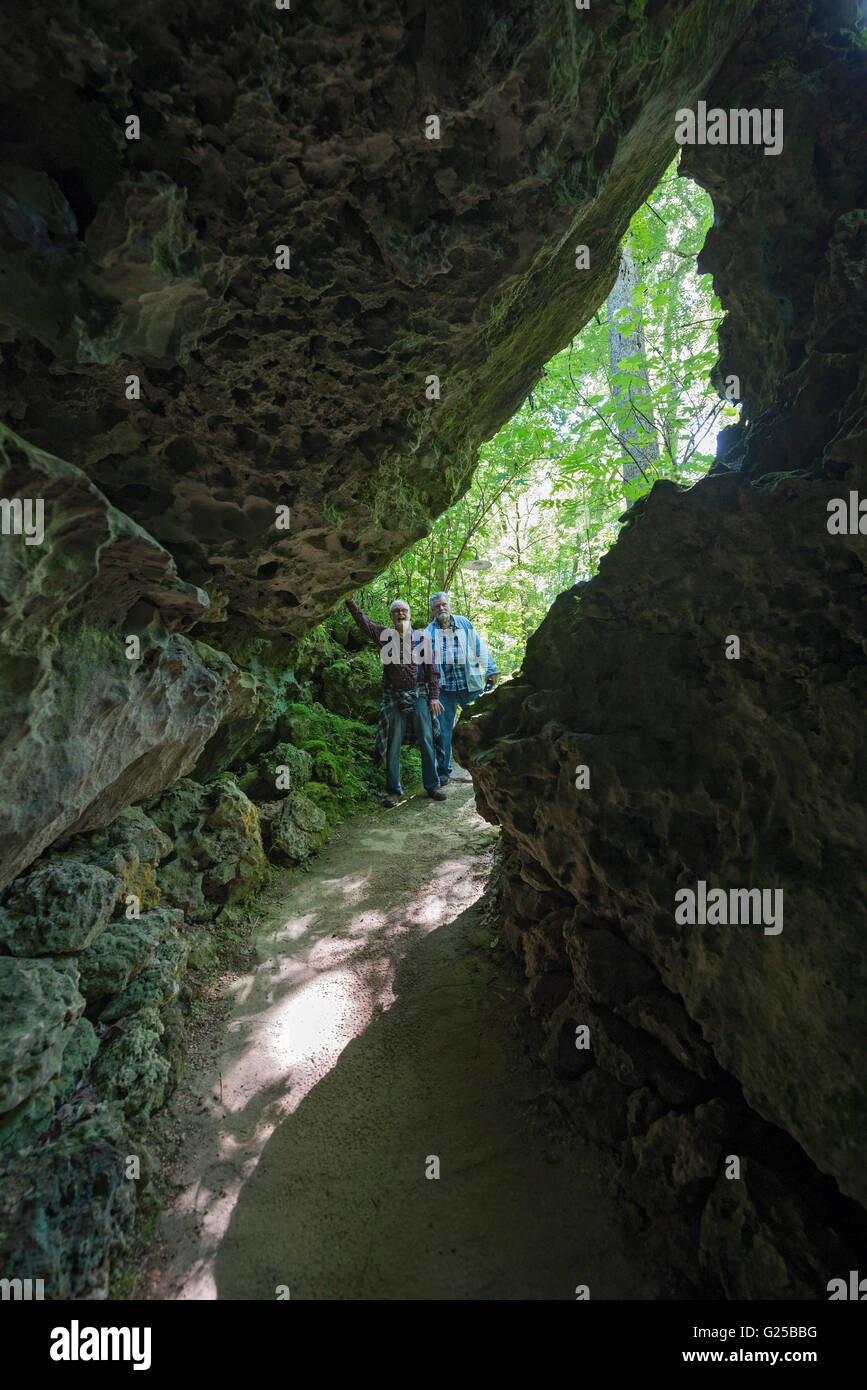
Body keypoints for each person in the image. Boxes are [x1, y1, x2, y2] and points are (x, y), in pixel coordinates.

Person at [346, 596, 447, 806]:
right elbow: (364, 623)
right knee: (393, 743)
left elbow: (433, 671)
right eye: (396, 611)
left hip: (419, 695)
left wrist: (434, 697)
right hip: (393, 697)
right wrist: (350, 602)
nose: (401, 614)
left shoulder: (422, 638)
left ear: (409, 614)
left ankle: (432, 784)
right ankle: (393, 791)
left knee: (426, 738)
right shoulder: (386, 636)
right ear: (391, 616)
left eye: (404, 610)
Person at [424, 592, 498, 785]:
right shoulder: (428, 632)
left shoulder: (464, 623)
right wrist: (429, 693)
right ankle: (443, 770)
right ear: (432, 610)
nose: (441, 609)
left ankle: (488, 764)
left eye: (443, 605)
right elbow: (425, 665)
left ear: (449, 605)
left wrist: (491, 669)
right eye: (436, 607)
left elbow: (479, 646)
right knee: (442, 731)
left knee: (480, 725)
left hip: (470, 686)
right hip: (444, 690)